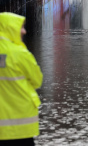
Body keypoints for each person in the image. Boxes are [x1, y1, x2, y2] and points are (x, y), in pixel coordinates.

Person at [0, 12, 43, 146]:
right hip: (20, 125)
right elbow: (37, 80)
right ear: (10, 28)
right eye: (21, 27)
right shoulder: (19, 53)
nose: (24, 31)